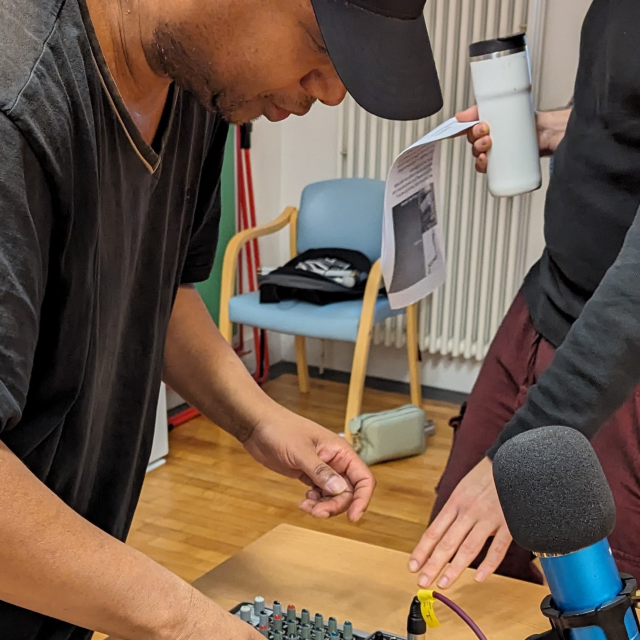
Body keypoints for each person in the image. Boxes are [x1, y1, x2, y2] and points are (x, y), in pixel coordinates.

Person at [0, 0, 444, 637]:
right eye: (321, 45)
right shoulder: (18, 102)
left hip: (56, 599)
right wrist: (184, 622)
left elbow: (158, 290)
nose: (330, 91)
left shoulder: (199, 95)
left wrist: (257, 417)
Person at [409, 0, 640, 591]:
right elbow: (619, 107)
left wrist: (518, 457)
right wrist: (550, 127)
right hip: (544, 304)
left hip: (619, 358)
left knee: (595, 604)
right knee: (462, 557)